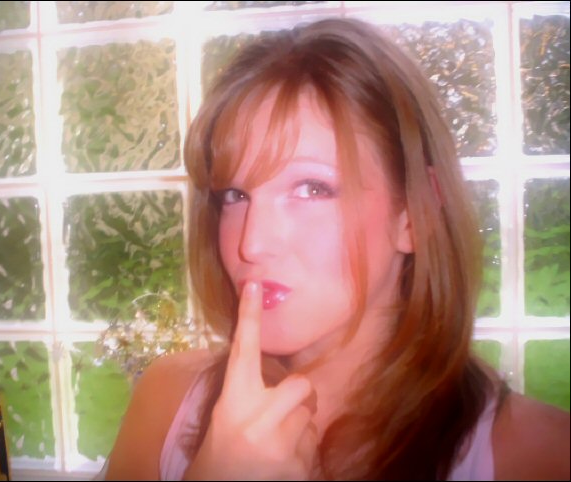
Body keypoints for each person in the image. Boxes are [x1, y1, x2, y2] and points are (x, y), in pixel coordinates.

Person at [104, 17, 570, 480]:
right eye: (234, 195)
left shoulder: (541, 458)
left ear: (415, 213)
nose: (252, 244)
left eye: (313, 189)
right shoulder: (166, 402)